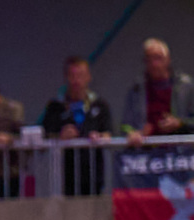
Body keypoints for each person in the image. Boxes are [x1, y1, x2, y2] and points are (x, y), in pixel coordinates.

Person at [41, 57, 115, 197]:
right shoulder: (55, 107)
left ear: (88, 77)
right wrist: (60, 137)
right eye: (72, 76)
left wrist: (99, 137)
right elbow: (46, 135)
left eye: (80, 76)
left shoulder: (100, 105)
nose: (76, 81)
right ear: (66, 78)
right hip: (64, 175)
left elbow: (108, 132)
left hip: (93, 174)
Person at [123, 38, 194, 138]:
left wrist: (180, 123)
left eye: (158, 58)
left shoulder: (186, 86)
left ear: (168, 60)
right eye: (149, 59)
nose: (154, 64)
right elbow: (125, 126)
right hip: (146, 149)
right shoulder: (136, 90)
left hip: (180, 149)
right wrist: (133, 133)